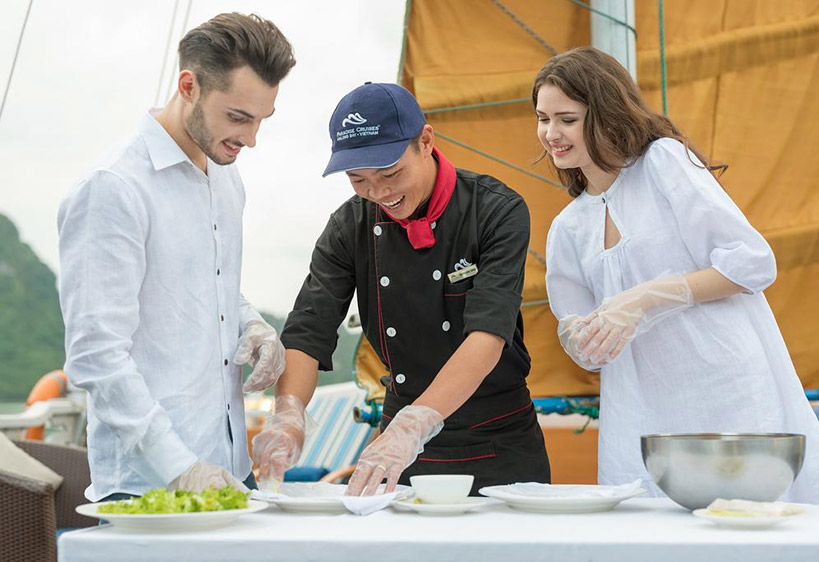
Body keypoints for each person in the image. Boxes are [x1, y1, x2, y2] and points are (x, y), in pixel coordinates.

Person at [535, 47, 819, 504]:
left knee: (748, 531)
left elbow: (753, 262)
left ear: (605, 113)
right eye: (542, 118)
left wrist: (648, 296)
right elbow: (586, 349)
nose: (551, 133)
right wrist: (581, 337)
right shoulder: (567, 228)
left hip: (727, 392)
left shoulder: (662, 161)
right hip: (640, 412)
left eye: (567, 119)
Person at [252, 82, 550, 496]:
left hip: (498, 442)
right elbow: (308, 328)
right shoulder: (348, 227)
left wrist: (416, 424)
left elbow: (488, 333)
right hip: (398, 454)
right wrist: (287, 416)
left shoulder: (495, 210)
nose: (379, 193)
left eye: (391, 173)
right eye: (359, 179)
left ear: (425, 141)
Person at [58, 13, 296, 502]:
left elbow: (207, 287)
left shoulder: (228, 179)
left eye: (260, 120)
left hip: (231, 473)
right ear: (189, 85)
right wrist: (180, 467)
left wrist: (250, 324)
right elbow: (95, 353)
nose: (251, 139)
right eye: (237, 117)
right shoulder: (114, 188)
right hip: (150, 488)